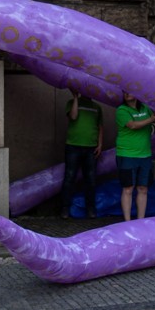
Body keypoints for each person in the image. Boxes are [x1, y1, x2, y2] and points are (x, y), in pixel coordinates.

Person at [115, 92, 155, 221]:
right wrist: (151, 120)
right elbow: (132, 125)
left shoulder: (145, 108)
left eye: (129, 91)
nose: (126, 94)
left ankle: (141, 221)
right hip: (127, 154)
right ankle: (127, 221)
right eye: (124, 92)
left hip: (145, 154)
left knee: (143, 188)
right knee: (128, 188)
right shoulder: (121, 110)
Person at [60, 89, 103, 218]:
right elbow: (73, 116)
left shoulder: (97, 107)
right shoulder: (71, 102)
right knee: (69, 178)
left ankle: (91, 209)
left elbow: (100, 126)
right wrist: (76, 98)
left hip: (91, 148)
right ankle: (65, 209)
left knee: (90, 179)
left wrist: (100, 144)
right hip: (73, 146)